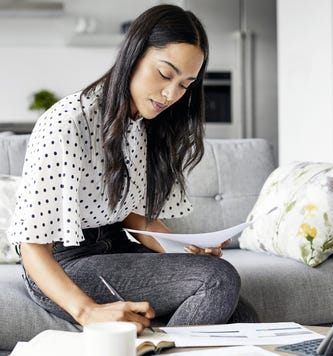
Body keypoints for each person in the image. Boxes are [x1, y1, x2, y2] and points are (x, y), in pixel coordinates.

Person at [8, 4, 241, 333]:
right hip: (62, 265)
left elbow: (132, 214)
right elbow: (32, 245)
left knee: (239, 310)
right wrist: (87, 311)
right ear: (134, 54)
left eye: (185, 85)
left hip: (115, 247)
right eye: (164, 74)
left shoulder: (148, 124)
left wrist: (186, 250)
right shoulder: (68, 122)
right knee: (218, 280)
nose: (171, 94)